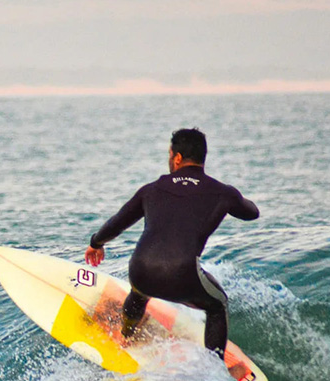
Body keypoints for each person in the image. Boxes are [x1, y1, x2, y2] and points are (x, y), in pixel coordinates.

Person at [84, 127, 259, 363]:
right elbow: (251, 213)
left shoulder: (151, 190)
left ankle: (125, 336)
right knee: (217, 306)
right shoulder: (222, 193)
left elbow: (117, 223)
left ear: (177, 157)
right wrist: (233, 198)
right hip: (183, 275)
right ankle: (214, 366)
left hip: (141, 269)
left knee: (138, 294)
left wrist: (96, 243)